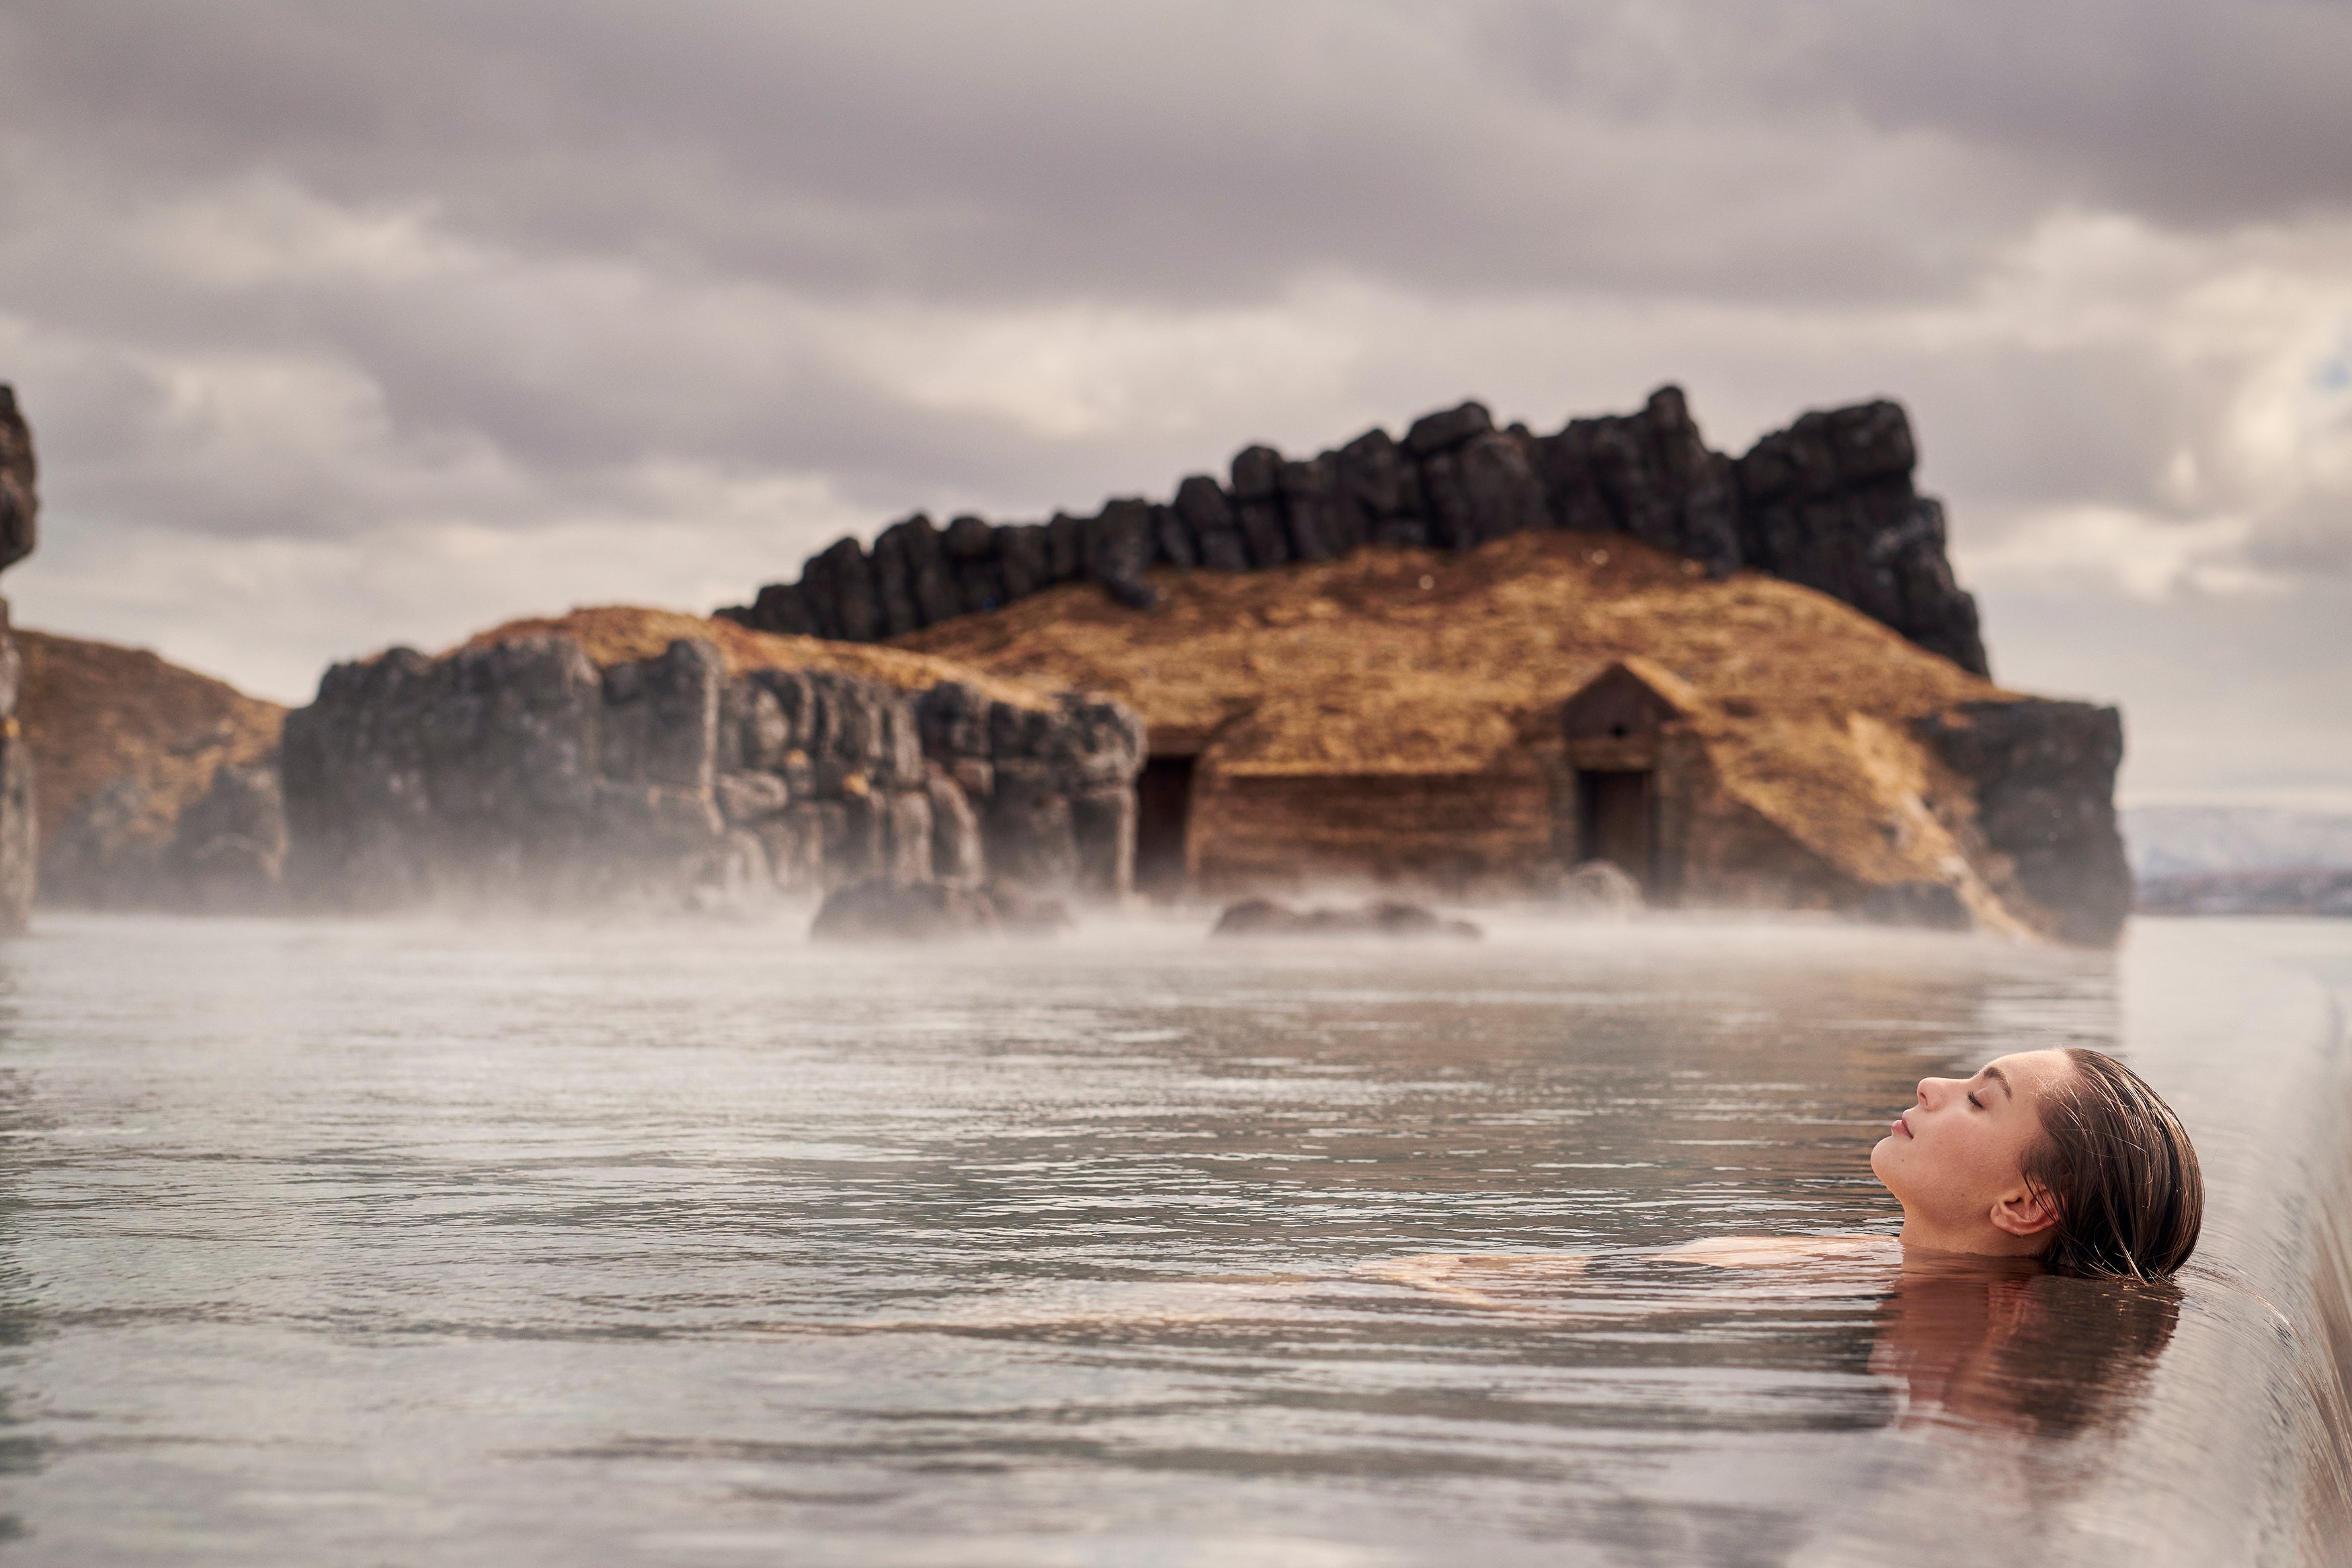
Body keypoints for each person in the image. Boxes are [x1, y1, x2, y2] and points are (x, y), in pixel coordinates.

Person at [1871, 1046, 2202, 1279]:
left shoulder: (1850, 1276)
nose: (1928, 1085)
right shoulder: (1869, 1254)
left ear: (2026, 1206)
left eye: (1978, 1101)